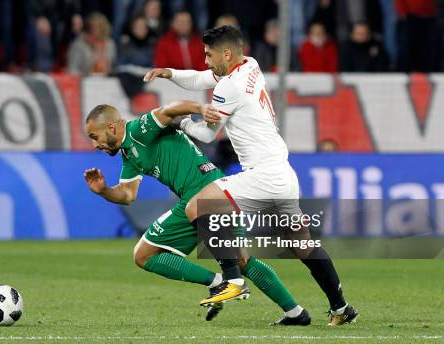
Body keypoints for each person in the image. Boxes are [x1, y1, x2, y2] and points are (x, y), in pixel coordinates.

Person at [143, 25, 358, 326]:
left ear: (226, 53)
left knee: (198, 205)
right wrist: (170, 72)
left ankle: (232, 280)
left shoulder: (228, 88)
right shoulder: (251, 64)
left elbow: (206, 133)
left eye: (208, 54)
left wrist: (179, 123)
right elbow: (202, 77)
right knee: (302, 244)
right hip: (283, 172)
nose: (205, 60)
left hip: (263, 175)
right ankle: (340, 308)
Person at [84, 102, 309, 324]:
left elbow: (170, 109)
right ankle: (295, 313)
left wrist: (201, 109)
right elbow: (127, 195)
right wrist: (103, 190)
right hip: (215, 190)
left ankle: (220, 282)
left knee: (144, 254)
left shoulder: (140, 129)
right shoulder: (129, 154)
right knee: (241, 260)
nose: (95, 144)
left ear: (112, 128)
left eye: (95, 136)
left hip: (203, 194)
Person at [67, 12, 116, 76]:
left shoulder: (110, 43)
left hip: (105, 80)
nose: (94, 30)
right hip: (84, 79)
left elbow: (112, 66)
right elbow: (72, 68)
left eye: (98, 27)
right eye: (91, 27)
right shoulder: (79, 44)